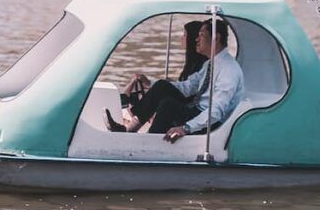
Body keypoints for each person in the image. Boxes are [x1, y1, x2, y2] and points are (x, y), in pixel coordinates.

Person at [104, 19, 244, 143]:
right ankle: (129, 130)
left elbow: (216, 112)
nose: (196, 39)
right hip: (197, 111)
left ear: (216, 38)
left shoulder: (229, 70)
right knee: (162, 86)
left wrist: (186, 128)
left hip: (211, 123)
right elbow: (187, 87)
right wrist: (150, 84)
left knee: (168, 105)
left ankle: (149, 144)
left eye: (201, 35)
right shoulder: (210, 65)